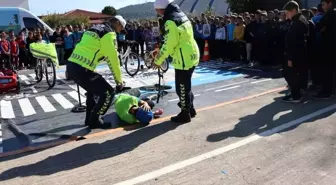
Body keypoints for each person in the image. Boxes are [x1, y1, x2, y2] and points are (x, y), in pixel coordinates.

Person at [66, 15, 127, 129]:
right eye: (121, 28)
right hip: (82, 68)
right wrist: (119, 81)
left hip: (72, 66)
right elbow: (113, 59)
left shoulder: (94, 28)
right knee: (108, 93)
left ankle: (89, 119)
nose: (120, 32)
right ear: (117, 23)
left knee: (92, 92)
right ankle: (95, 120)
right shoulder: (109, 33)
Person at [153, 0, 199, 123]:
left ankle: (185, 114)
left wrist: (158, 60)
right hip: (191, 53)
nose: (157, 13)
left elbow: (169, 44)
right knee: (186, 85)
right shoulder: (181, 15)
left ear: (161, 9)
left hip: (183, 57)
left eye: (156, 10)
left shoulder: (170, 20)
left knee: (182, 87)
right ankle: (191, 109)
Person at [282, 1, 309, 103]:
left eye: (287, 12)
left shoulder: (297, 22)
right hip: (301, 53)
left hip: (296, 54)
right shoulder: (300, 19)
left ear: (293, 11)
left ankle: (296, 96)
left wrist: (290, 58)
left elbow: (293, 42)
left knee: (290, 73)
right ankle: (298, 92)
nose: (286, 15)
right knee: (298, 74)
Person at [313, 0, 336, 99]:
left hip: (329, 47)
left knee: (327, 71)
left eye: (323, 4)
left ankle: (326, 92)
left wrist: (323, 29)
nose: (322, 7)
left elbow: (318, 27)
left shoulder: (329, 14)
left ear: (330, 3)